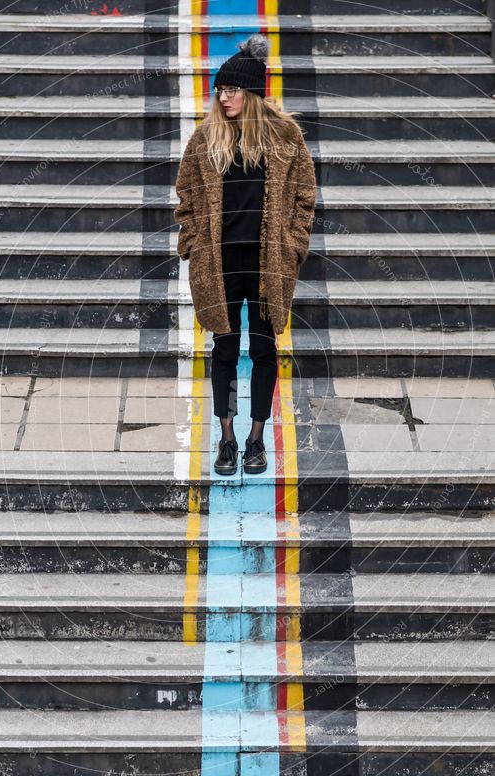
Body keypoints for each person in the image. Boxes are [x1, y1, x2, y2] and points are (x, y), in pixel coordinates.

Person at [174, 33, 317, 476]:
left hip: (268, 262)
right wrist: (194, 241)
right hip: (218, 263)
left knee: (263, 349)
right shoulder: (205, 138)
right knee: (222, 348)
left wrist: (293, 245)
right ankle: (227, 436)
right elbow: (186, 195)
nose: (224, 96)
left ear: (252, 92)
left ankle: (256, 438)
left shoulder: (285, 136)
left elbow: (304, 197)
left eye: (232, 89)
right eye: (220, 89)